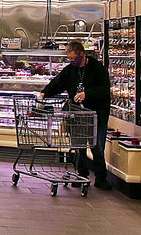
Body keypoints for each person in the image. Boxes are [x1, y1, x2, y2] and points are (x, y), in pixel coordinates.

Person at [40, 40, 113, 190]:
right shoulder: (70, 70)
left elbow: (104, 90)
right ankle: (81, 174)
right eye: (69, 58)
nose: (71, 61)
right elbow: (58, 83)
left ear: (82, 54)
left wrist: (87, 94)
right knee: (78, 146)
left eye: (73, 58)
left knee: (97, 146)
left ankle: (101, 178)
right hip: (77, 114)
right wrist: (44, 93)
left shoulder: (97, 69)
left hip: (96, 114)